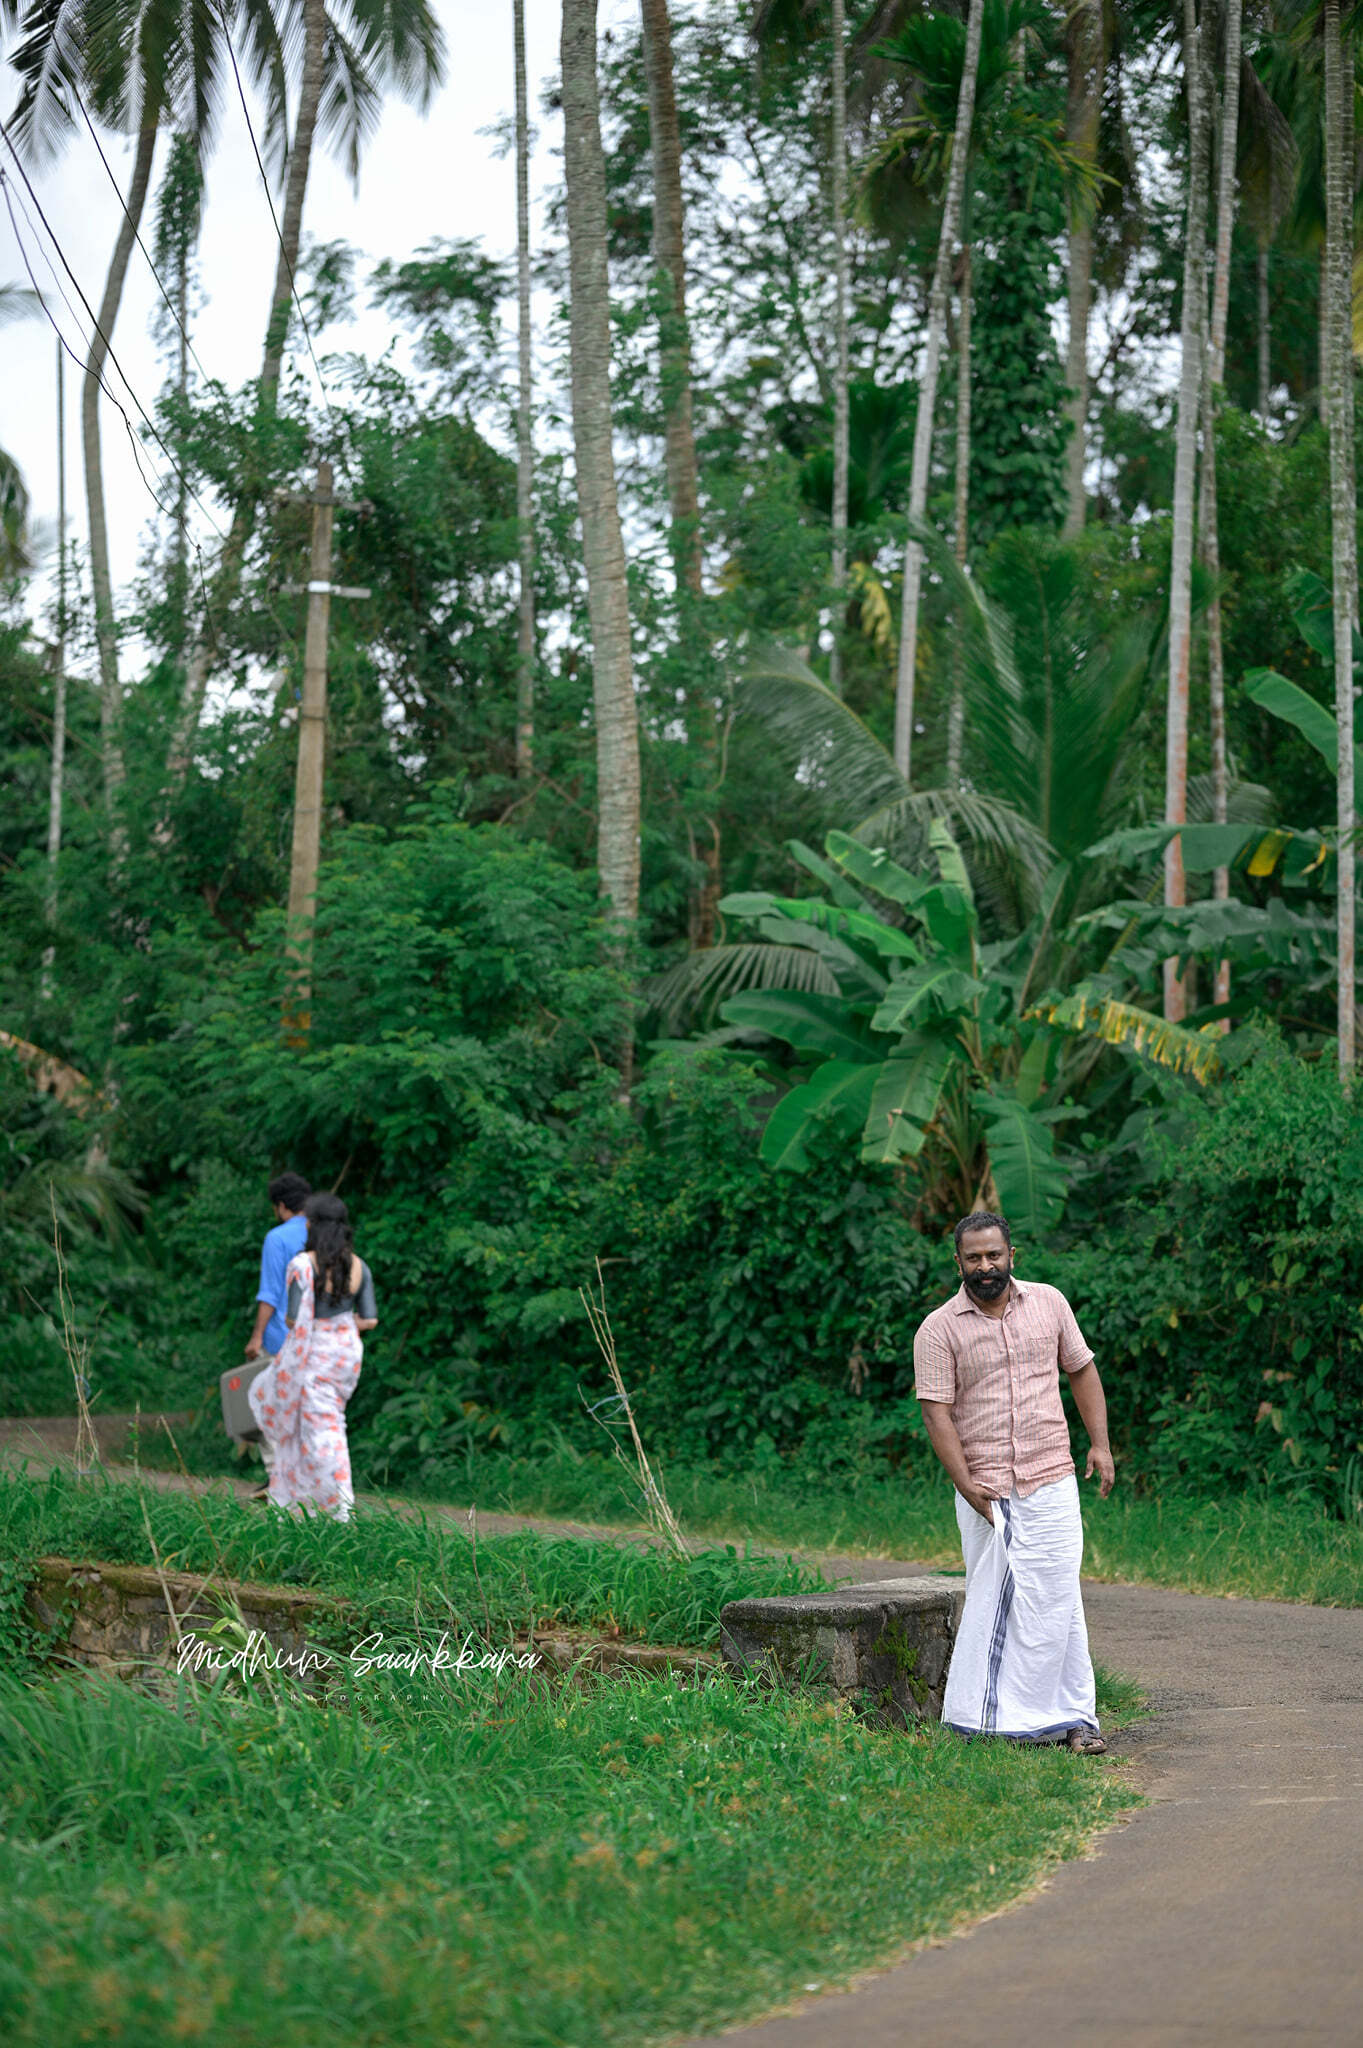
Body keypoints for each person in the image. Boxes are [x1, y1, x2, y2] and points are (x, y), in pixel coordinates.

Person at [913, 1211, 1115, 1755]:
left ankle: (1076, 1719)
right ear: (958, 1262)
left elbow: (1081, 1370)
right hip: (986, 1490)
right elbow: (937, 1413)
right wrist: (965, 1485)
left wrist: (1099, 1443)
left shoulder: (1049, 1302)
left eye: (993, 1255)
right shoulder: (938, 1328)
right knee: (993, 1597)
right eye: (973, 1258)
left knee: (1057, 1597)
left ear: (1011, 1256)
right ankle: (984, 1718)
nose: (985, 1266)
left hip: (1051, 1476)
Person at [247, 1192, 376, 1522]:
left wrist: (318, 1324)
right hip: (345, 1358)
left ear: (311, 1225)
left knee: (315, 1433)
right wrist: (341, 1325)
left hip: (313, 1357)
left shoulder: (303, 1265)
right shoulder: (359, 1266)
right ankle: (310, 1505)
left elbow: (293, 1319)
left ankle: (333, 1508)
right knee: (329, 1423)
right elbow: (369, 1319)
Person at [242, 1172, 312, 1499]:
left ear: (281, 1206)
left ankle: (276, 1478)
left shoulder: (278, 1238)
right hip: (316, 1340)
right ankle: (305, 1479)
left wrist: (256, 1337)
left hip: (281, 1339)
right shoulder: (321, 1234)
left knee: (269, 1405)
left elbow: (270, 1293)